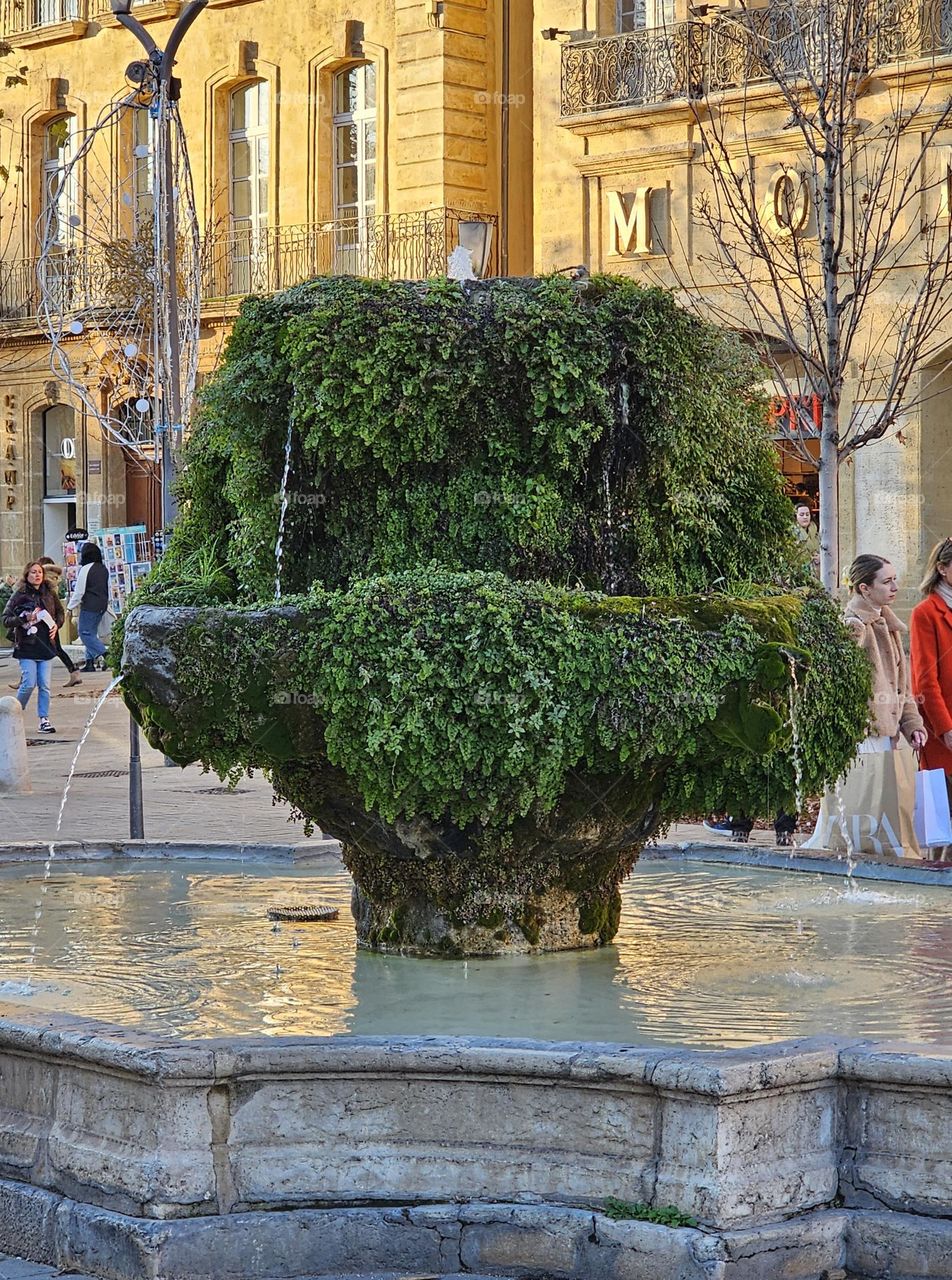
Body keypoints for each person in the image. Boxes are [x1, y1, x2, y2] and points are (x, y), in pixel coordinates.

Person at [803, 554, 925, 856]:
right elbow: (836, 685)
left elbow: (902, 687)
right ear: (864, 588)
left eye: (895, 579)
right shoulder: (853, 626)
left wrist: (912, 724)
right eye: (887, 581)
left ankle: (869, 859)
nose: (895, 586)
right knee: (854, 806)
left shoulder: (890, 625)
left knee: (878, 809)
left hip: (886, 734)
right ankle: (845, 860)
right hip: (861, 736)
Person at [910, 537, 952, 857]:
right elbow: (925, 679)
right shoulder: (926, 613)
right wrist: (944, 728)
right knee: (943, 827)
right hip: (943, 730)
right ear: (942, 569)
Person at [1, 561, 60, 734]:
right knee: (28, 683)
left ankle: (44, 719)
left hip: (46, 646)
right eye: (33, 572)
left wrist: (56, 625)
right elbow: (6, 619)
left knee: (45, 685)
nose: (37, 575)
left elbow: (59, 613)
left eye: (40, 572)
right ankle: (14, 714)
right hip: (26, 645)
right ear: (27, 575)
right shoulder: (19, 594)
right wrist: (25, 618)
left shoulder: (49, 593)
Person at [37, 556, 82, 687]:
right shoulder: (53, 582)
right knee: (55, 649)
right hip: (51, 622)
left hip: (45, 623)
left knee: (39, 649)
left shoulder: (44, 585)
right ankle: (74, 672)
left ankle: (74, 672)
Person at [67, 541, 110, 673]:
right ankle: (89, 662)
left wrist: (69, 607)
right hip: (102, 604)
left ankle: (107, 655)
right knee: (91, 633)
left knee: (84, 633)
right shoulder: (103, 568)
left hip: (90, 605)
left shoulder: (86, 569)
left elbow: (79, 591)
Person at [792, 502, 821, 574]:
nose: (805, 517)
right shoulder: (791, 534)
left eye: (807, 514)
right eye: (801, 515)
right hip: (800, 572)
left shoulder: (816, 533)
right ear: (796, 516)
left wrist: (821, 557)